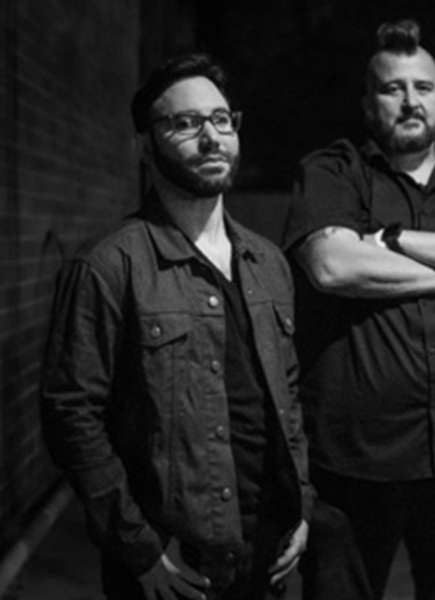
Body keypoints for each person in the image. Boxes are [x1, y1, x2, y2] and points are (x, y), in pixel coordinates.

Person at [40, 53, 311, 600]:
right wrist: (137, 548)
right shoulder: (108, 266)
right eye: (185, 123)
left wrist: (302, 504)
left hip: (269, 554)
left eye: (221, 119)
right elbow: (71, 416)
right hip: (175, 565)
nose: (211, 138)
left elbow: (289, 394)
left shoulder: (268, 262)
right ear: (145, 146)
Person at [281, 19, 435, 600]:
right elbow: (334, 266)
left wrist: (393, 241)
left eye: (423, 87)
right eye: (393, 88)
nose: (410, 101)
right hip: (355, 460)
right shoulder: (332, 170)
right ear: (369, 104)